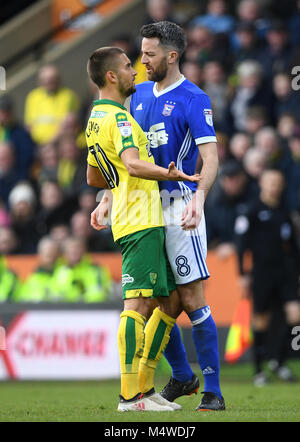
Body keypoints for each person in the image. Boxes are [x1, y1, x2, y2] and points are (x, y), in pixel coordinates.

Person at [95, 22, 225, 411]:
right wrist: (105, 196)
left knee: (190, 296)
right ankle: (181, 377)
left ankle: (213, 390)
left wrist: (199, 199)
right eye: (141, 52)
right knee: (155, 298)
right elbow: (123, 159)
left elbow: (211, 158)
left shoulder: (194, 98)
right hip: (142, 210)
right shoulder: (135, 97)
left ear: (171, 55)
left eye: (149, 54)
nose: (142, 60)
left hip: (179, 205)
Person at [234, 169, 300, 386]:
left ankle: (278, 361)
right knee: (261, 319)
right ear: (262, 183)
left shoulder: (284, 211)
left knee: (294, 316)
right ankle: (259, 369)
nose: (275, 186)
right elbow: (241, 244)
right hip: (262, 271)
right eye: (271, 181)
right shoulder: (251, 210)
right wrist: (242, 274)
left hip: (285, 272)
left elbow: (292, 246)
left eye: (278, 182)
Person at [24, 64, 80, 145]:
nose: (48, 82)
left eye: (52, 79)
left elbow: (66, 126)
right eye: (45, 80)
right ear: (40, 81)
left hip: (60, 143)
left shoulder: (68, 96)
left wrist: (50, 143)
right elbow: (29, 125)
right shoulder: (33, 96)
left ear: (58, 80)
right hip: (37, 145)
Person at [54, 236, 112, 303]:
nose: (74, 251)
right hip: (66, 311)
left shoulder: (97, 270)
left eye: (77, 248)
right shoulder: (60, 272)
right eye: (71, 249)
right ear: (65, 253)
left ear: (84, 250)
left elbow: (104, 293)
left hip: (94, 309)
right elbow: (55, 295)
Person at [17, 236, 61, 302]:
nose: (48, 252)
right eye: (45, 250)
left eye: (51, 250)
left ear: (57, 254)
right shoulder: (31, 278)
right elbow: (23, 300)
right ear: (39, 254)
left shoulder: (65, 273)